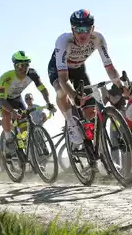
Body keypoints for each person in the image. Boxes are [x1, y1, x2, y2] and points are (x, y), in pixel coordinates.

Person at [48, 10, 122, 147]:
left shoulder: (98, 39)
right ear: (72, 29)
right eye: (78, 29)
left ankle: (99, 155)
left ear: (92, 28)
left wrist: (121, 85)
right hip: (60, 70)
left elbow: (110, 68)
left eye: (87, 29)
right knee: (61, 91)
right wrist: (73, 95)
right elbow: (63, 79)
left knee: (90, 112)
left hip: (79, 70)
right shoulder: (63, 41)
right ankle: (70, 123)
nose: (83, 34)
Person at [0, 51, 55, 153]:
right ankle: (9, 138)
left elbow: (42, 89)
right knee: (7, 114)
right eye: (20, 65)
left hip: (16, 97)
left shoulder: (32, 73)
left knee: (25, 121)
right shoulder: (7, 77)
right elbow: (2, 100)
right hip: (0, 98)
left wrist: (48, 103)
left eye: (26, 64)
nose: (24, 68)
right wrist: (12, 111)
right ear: (15, 66)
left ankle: (25, 150)